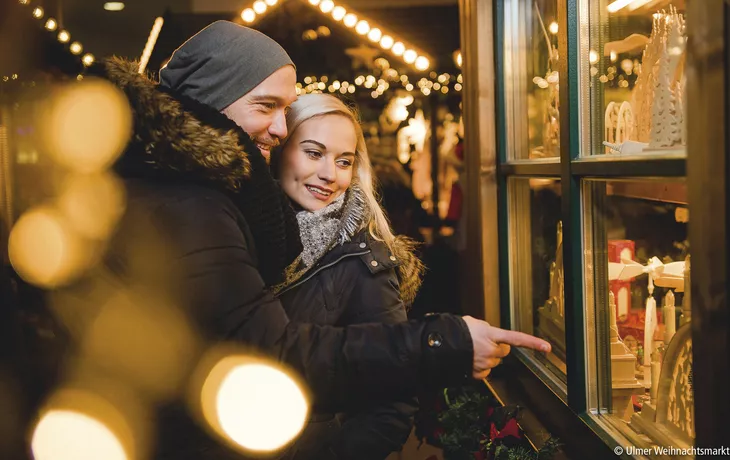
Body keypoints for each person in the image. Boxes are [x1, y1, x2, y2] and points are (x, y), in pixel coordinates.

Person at [80, 21, 549, 459]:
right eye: (268, 108)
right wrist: (441, 342)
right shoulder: (201, 202)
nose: (280, 127)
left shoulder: (353, 251)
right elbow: (269, 353)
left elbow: (387, 407)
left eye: (344, 160)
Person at [272, 93, 423, 459]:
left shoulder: (362, 258)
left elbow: (392, 400)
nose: (329, 174)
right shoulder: (237, 233)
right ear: (278, 149)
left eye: (344, 161)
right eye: (313, 153)